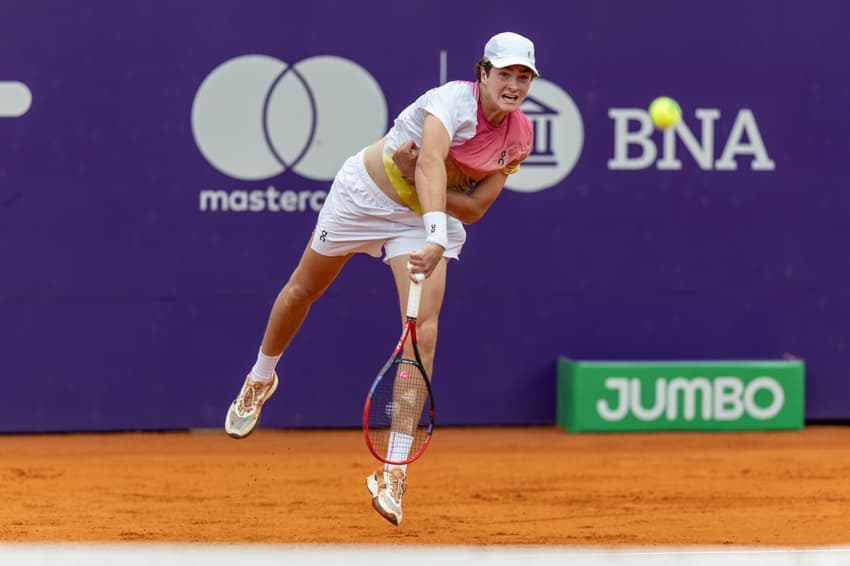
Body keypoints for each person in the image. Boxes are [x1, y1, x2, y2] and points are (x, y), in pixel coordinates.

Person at [224, 31, 539, 526]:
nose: (514, 85)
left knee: (423, 334)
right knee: (304, 289)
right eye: (505, 73)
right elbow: (432, 160)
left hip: (421, 220)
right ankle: (261, 378)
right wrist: (429, 208)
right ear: (482, 73)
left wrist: (429, 218)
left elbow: (476, 207)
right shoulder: (449, 102)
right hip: (364, 199)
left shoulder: (519, 135)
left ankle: (393, 468)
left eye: (523, 76)